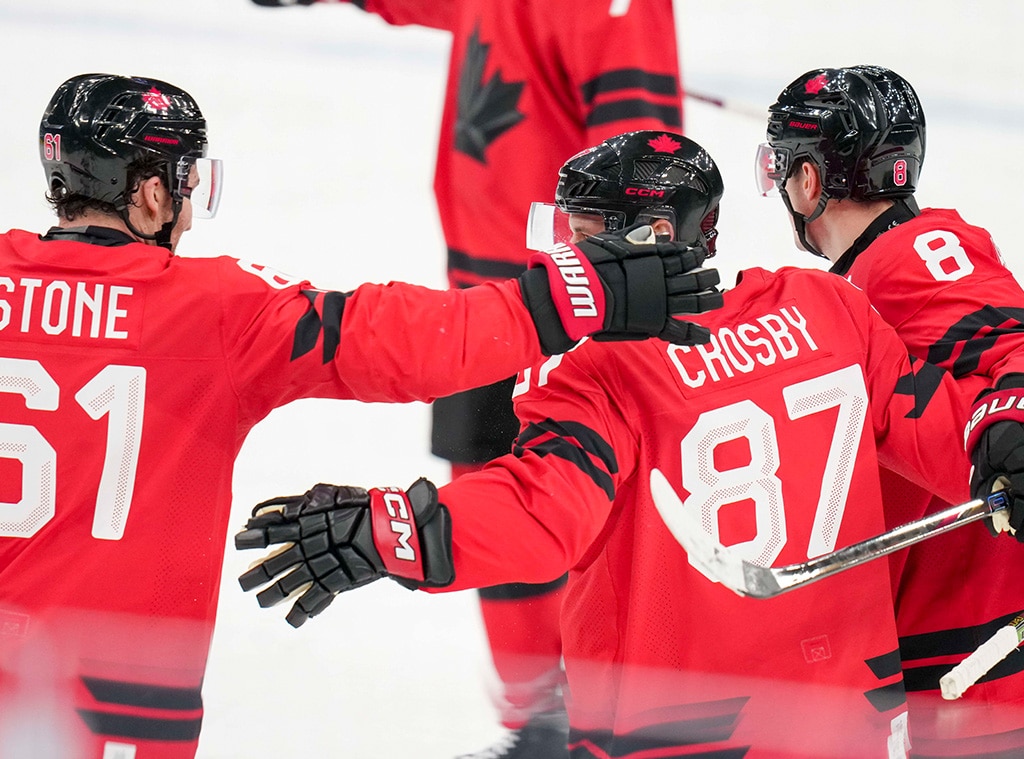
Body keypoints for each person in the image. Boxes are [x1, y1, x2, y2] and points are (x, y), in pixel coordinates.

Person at [235, 131, 1022, 758]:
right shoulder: (824, 310)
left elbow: (539, 514)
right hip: (850, 719)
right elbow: (951, 439)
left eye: (581, 234)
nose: (562, 255)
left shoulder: (601, 364)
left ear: (650, 236)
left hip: (674, 731)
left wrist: (390, 530)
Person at [0, 75, 720, 759]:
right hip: (108, 699)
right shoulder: (211, 310)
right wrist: (568, 298)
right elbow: (398, 342)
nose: (187, 211)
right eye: (186, 186)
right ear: (152, 193)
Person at [248, 2, 686, 753]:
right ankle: (538, 725)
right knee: (487, 492)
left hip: (572, 309)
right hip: (485, 302)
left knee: (568, 514)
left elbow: (652, 187)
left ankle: (596, 728)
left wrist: (614, 304)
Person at [757, 65, 1024, 754]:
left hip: (979, 655)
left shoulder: (909, 257)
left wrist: (1015, 425)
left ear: (809, 181)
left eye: (782, 167)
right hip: (949, 653)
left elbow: (1013, 343)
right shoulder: (865, 278)